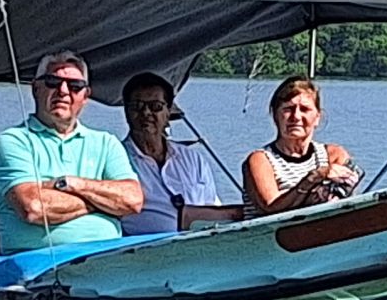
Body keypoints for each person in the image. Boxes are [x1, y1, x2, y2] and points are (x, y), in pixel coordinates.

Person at [0, 50, 143, 252]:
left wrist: (71, 184)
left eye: (74, 86)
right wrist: (101, 202)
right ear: (36, 88)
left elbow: (133, 200)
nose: (63, 91)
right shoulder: (13, 141)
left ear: (85, 96)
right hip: (36, 266)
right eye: (53, 82)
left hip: (105, 260)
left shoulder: (106, 143)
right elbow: (34, 207)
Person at [120, 70, 221, 235]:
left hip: (199, 245)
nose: (146, 113)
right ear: (126, 112)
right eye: (137, 106)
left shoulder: (193, 159)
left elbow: (214, 208)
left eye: (155, 106)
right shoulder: (116, 159)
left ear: (168, 112)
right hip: (146, 252)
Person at [242, 75, 360, 213]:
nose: (296, 117)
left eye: (304, 109)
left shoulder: (333, 155)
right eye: (288, 109)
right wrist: (315, 177)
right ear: (275, 115)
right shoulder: (260, 160)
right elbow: (271, 207)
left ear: (317, 117)